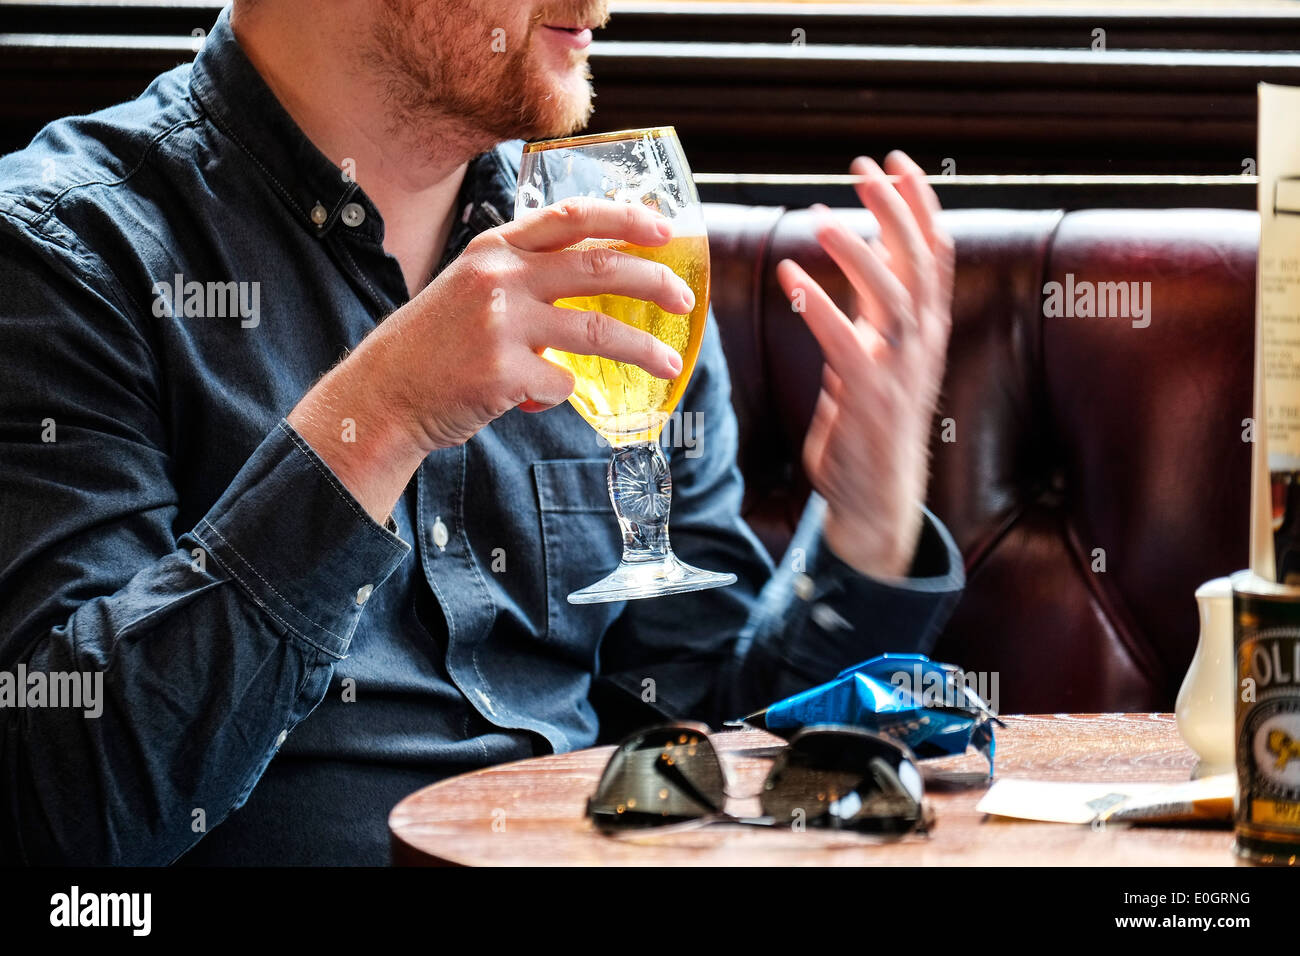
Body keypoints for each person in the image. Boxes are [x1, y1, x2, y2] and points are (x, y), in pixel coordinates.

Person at [0, 0, 962, 865]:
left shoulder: (622, 260)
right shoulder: (63, 252)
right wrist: (377, 419)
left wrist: (865, 529)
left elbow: (710, 736)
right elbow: (76, 813)